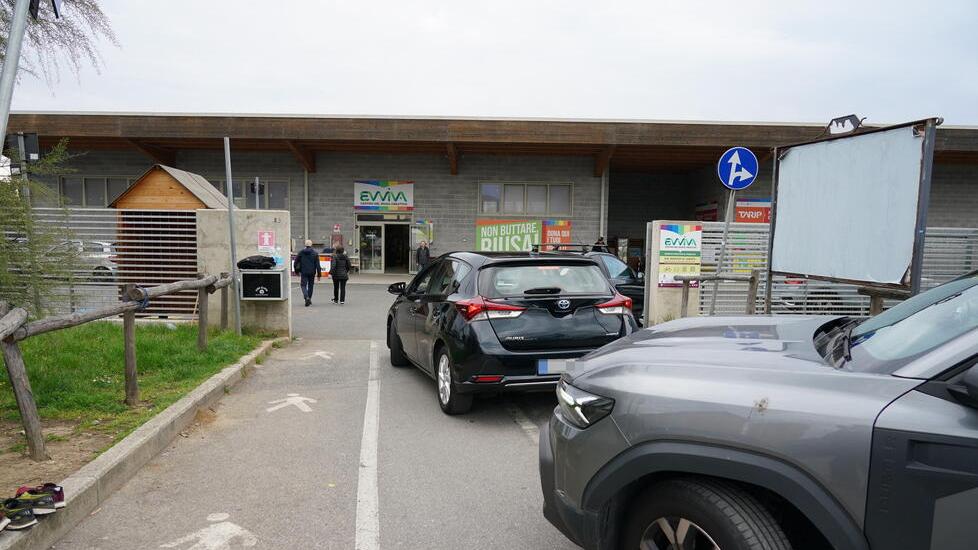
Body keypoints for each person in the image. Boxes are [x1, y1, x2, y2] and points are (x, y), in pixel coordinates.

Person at [293, 239, 321, 307]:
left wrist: (296, 271)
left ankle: (306, 297)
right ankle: (309, 299)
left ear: (305, 245)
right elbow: (318, 265)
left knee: (303, 285)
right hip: (312, 272)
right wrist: (319, 275)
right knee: (311, 286)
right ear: (311, 245)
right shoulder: (315, 253)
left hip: (304, 271)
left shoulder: (301, 252)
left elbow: (295, 262)